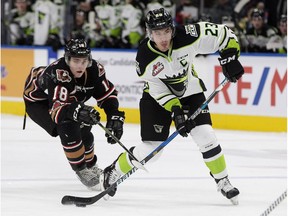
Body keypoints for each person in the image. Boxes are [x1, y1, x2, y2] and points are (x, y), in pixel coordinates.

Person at [100, 8, 244, 205]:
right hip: (156, 99)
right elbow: (157, 88)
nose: (163, 38)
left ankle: (223, 180)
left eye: (166, 31)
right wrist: (176, 111)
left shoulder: (189, 36)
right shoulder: (144, 58)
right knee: (153, 150)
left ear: (172, 29)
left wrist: (230, 57)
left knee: (206, 136)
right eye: (157, 33)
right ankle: (115, 170)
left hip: (190, 91)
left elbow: (225, 34)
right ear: (149, 33)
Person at [23, 39, 125, 191]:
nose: (80, 65)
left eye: (84, 61)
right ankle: (81, 169)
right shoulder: (58, 74)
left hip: (64, 101)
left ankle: (90, 166)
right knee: (68, 125)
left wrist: (114, 116)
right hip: (38, 102)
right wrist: (77, 111)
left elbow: (107, 95)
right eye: (76, 60)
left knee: (84, 128)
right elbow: (57, 110)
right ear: (67, 59)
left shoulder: (95, 70)